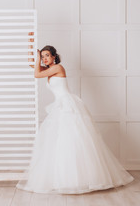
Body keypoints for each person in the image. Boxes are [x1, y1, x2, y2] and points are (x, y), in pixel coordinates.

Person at [16, 32, 134, 194]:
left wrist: (36, 57)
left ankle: (82, 179)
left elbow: (36, 74)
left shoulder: (57, 68)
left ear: (54, 57)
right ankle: (62, 177)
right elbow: (34, 68)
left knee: (73, 138)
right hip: (60, 106)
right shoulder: (50, 69)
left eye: (47, 56)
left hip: (67, 105)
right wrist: (31, 48)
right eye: (42, 57)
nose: (44, 59)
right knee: (60, 140)